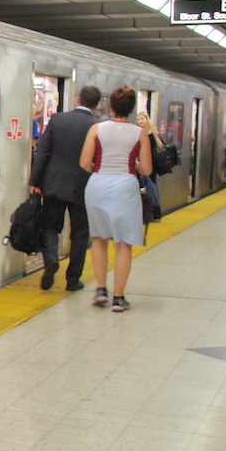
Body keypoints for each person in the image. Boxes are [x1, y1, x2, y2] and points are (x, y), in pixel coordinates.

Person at [79, 85, 152, 312]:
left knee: (99, 239)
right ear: (131, 110)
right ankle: (118, 298)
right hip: (125, 186)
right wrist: (133, 165)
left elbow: (84, 163)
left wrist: (103, 170)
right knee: (123, 244)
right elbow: (147, 170)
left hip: (97, 184)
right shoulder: (139, 133)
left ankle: (101, 289)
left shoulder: (96, 129)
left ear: (110, 107)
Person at [28, 85, 100, 291]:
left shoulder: (58, 120)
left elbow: (43, 152)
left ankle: (51, 259)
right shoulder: (97, 126)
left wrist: (35, 181)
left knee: (50, 226)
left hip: (54, 183)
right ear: (96, 105)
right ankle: (73, 280)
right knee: (80, 233)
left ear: (78, 99)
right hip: (83, 187)